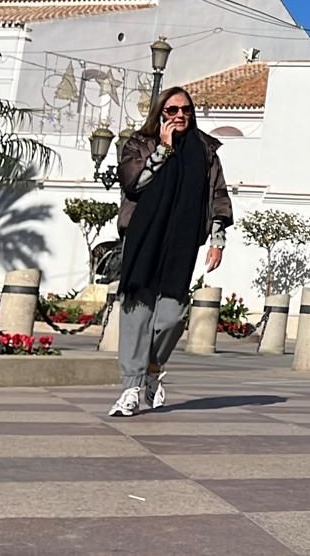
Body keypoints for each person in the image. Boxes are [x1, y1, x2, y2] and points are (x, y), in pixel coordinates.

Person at [109, 87, 232, 418]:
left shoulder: (205, 150)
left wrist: (217, 241)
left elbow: (218, 195)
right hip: (144, 238)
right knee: (137, 312)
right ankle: (131, 388)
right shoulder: (138, 142)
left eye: (186, 110)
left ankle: (151, 366)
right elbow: (133, 183)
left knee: (171, 316)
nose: (180, 115)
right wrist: (163, 150)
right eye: (172, 110)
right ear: (159, 113)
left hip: (182, 240)